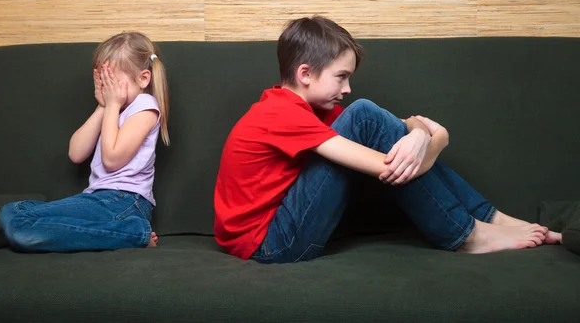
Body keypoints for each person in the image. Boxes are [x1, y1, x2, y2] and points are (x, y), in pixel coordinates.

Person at [214, 16, 562, 264]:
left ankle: (492, 218)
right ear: (305, 74)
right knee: (366, 114)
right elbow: (394, 166)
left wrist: (418, 134)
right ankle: (466, 235)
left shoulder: (313, 111)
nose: (347, 88)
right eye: (341, 77)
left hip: (279, 233)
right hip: (272, 245)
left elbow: (410, 126)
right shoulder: (280, 114)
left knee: (373, 120)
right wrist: (427, 139)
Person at [0, 31, 170, 252]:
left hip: (125, 202)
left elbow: (112, 159)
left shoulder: (145, 106)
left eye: (113, 82)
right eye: (103, 81)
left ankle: (133, 233)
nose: (108, 90)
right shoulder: (112, 109)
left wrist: (111, 105)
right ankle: (119, 231)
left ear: (143, 78)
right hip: (99, 199)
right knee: (13, 211)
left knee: (20, 226)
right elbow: (76, 153)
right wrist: (103, 106)